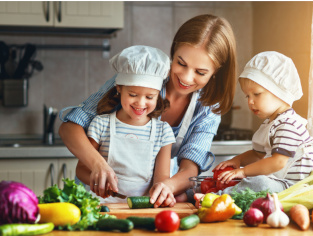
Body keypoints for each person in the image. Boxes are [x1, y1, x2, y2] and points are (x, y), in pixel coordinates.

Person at [58, 14, 237, 207]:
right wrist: (98, 165)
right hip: (95, 198)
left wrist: (167, 187)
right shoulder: (139, 76)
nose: (186, 77)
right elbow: (70, 127)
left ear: (216, 71)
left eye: (200, 72)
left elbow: (189, 167)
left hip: (143, 201)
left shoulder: (208, 108)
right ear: (174, 50)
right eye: (181, 63)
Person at [75, 45, 176, 204]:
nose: (140, 103)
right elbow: (81, 170)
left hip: (141, 209)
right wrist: (97, 182)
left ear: (158, 96)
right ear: (119, 88)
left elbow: (161, 179)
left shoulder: (163, 132)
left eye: (150, 97)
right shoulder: (101, 124)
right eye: (133, 95)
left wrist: (162, 192)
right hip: (102, 206)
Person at [212, 51, 313, 195]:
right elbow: (257, 155)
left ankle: (217, 197)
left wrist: (243, 172)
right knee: (253, 180)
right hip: (279, 183)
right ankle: (208, 191)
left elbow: (278, 162)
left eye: (256, 94)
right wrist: (237, 160)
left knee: (259, 182)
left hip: (294, 188)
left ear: (279, 91)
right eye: (247, 96)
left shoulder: (289, 124)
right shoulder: (272, 123)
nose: (250, 101)